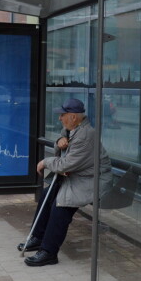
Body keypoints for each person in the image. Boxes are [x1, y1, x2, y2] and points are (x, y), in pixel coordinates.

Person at [19, 98, 112, 267]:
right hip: (76, 176)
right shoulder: (72, 129)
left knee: (60, 206)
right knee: (47, 194)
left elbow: (66, 164)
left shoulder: (85, 135)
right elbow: (64, 152)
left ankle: (49, 252)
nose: (59, 118)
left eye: (63, 115)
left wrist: (45, 162)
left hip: (91, 181)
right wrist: (58, 142)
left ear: (73, 117)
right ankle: (38, 237)